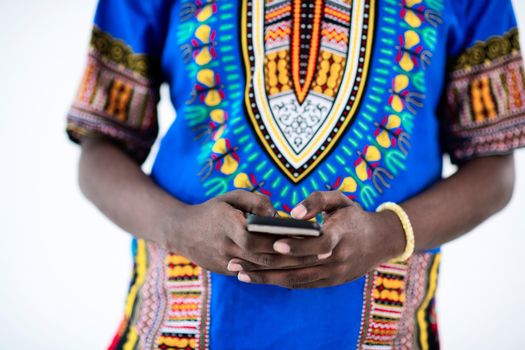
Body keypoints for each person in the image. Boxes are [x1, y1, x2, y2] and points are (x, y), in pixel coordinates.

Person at [66, 0, 525, 348]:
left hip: (379, 330)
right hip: (183, 325)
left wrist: (387, 233)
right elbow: (101, 146)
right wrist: (177, 228)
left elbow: (494, 167)